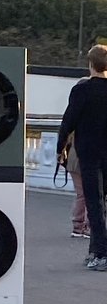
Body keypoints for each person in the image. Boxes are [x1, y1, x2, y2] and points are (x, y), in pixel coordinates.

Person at [57, 44, 107, 269]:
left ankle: (101, 253)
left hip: (89, 153)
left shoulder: (82, 90)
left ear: (90, 64)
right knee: (102, 204)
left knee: (94, 203)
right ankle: (95, 250)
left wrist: (61, 149)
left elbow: (68, 121)